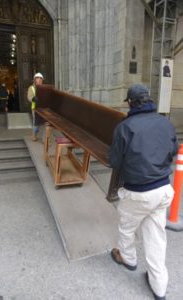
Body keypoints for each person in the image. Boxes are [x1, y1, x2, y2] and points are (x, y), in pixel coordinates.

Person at [109, 84, 178, 300]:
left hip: (138, 193)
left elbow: (115, 162)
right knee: (156, 237)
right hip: (164, 189)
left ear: (130, 102)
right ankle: (159, 287)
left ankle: (128, 259)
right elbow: (173, 151)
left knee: (127, 227)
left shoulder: (125, 127)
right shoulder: (165, 122)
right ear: (148, 100)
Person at [27, 72, 44, 141]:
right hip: (35, 108)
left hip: (43, 108)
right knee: (36, 123)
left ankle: (45, 139)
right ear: (34, 80)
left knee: (45, 124)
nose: (39, 79)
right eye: (38, 78)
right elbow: (29, 96)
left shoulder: (44, 88)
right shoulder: (31, 88)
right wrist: (33, 98)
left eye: (41, 78)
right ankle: (34, 136)